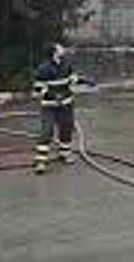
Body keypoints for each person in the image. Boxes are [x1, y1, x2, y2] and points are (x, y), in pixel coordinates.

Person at [32, 43, 79, 175]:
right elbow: (38, 87)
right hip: (50, 106)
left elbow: (72, 78)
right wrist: (50, 94)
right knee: (47, 131)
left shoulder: (67, 65)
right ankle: (41, 161)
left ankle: (65, 154)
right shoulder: (43, 69)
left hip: (66, 104)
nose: (62, 49)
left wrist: (83, 81)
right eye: (60, 48)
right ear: (54, 52)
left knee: (66, 128)